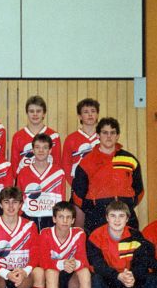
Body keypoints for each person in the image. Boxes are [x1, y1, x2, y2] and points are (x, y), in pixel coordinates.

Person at [72, 117, 143, 236]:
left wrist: (127, 204)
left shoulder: (130, 160)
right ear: (98, 135)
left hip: (125, 216)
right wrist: (93, 209)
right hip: (97, 219)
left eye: (112, 133)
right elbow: (78, 196)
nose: (109, 136)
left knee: (130, 246)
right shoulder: (87, 162)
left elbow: (139, 191)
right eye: (105, 132)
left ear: (117, 136)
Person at [61, 98, 100, 229]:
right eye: (86, 112)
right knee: (79, 228)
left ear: (97, 114)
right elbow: (66, 165)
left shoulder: (103, 137)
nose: (90, 114)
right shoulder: (71, 139)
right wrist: (76, 184)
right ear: (79, 116)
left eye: (93, 111)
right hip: (80, 189)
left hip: (99, 189)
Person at [17, 133, 66, 232]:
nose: (41, 150)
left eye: (45, 147)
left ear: (50, 150)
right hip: (29, 218)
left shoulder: (58, 172)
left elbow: (62, 200)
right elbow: (18, 198)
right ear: (33, 150)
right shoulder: (23, 172)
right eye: (37, 147)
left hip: (50, 219)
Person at [10, 95, 61, 175]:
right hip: (25, 180)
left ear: (44, 113)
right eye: (31, 111)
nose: (35, 114)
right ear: (27, 113)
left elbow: (57, 163)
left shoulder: (54, 136)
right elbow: (14, 165)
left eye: (38, 111)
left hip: (48, 179)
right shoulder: (18, 136)